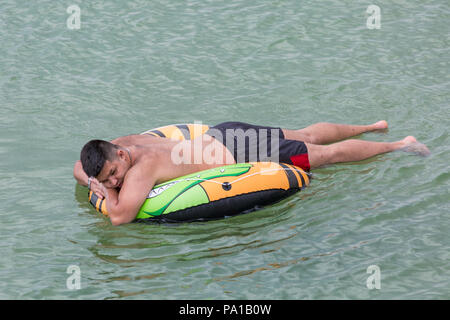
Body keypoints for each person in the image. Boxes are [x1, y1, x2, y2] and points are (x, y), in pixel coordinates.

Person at [73, 120, 430, 226]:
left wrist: (107, 194)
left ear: (120, 155)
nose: (113, 181)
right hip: (224, 134)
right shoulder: (126, 145)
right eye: (107, 180)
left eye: (113, 173)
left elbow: (120, 218)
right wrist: (94, 179)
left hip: (244, 152)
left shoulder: (139, 172)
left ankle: (399, 145)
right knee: (305, 133)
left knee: (328, 157)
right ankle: (372, 125)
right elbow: (78, 166)